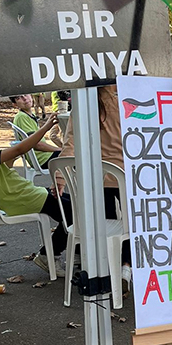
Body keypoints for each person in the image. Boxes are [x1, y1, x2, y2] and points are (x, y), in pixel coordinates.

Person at [0, 111, 72, 275]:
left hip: (25, 196)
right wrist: (45, 127)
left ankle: (73, 252)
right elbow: (19, 149)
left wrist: (18, 150)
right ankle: (49, 254)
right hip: (25, 199)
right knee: (76, 213)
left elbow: (8, 164)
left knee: (73, 205)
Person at [58, 84, 132, 291]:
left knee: (105, 226)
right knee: (132, 224)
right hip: (126, 176)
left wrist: (59, 175)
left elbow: (69, 143)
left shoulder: (83, 106)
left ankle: (107, 268)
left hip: (95, 179)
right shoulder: (126, 103)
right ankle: (126, 267)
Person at [11, 93, 62, 167]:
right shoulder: (21, 117)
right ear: (15, 104)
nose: (25, 98)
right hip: (43, 159)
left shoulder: (31, 115)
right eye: (19, 98)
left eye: (26, 95)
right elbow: (37, 144)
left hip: (45, 156)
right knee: (76, 156)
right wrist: (59, 149)